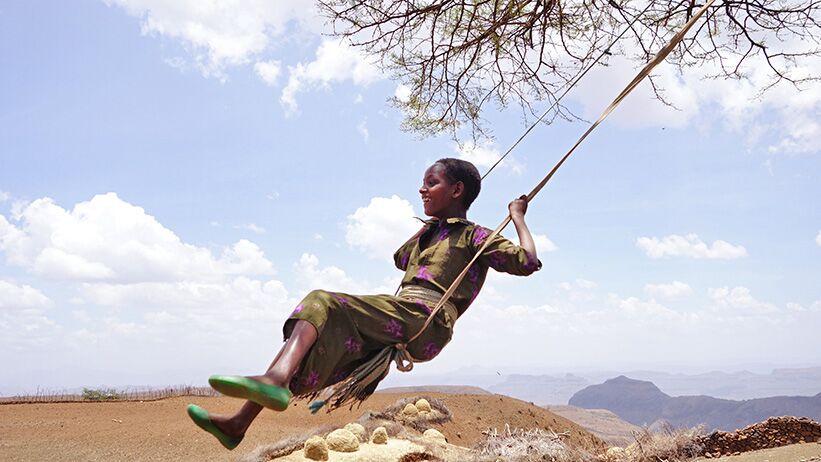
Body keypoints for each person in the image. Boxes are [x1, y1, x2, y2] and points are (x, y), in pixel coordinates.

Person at [186, 158, 541, 449]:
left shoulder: (474, 236)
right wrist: (432, 224)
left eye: (430, 183)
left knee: (321, 300)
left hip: (424, 319)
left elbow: (526, 261)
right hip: (401, 315)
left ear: (457, 190)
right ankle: (238, 423)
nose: (421, 189)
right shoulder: (431, 235)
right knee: (314, 345)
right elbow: (400, 257)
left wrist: (517, 215)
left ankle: (275, 378)